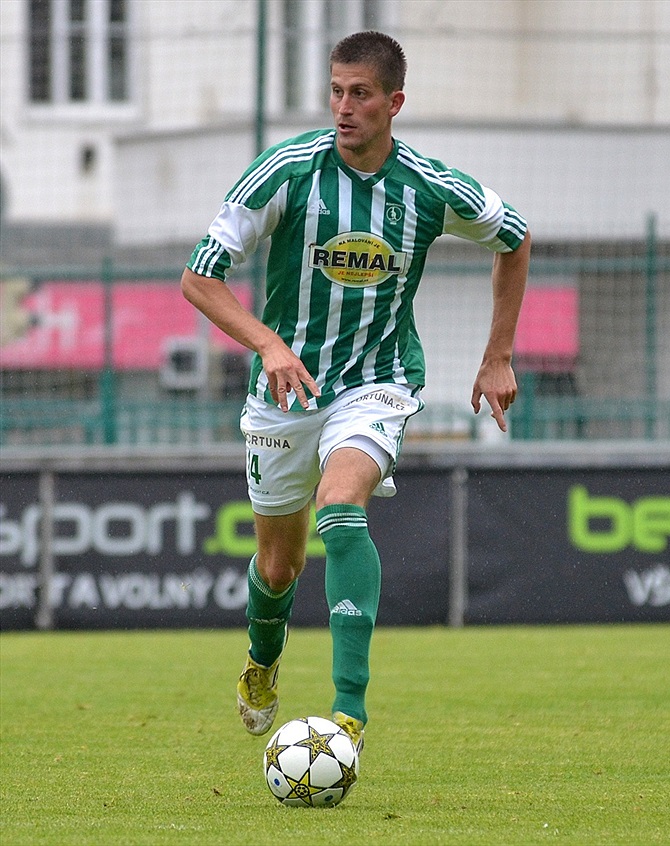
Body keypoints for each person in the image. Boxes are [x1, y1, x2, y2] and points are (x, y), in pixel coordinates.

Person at [181, 30, 531, 755]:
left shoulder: (429, 187)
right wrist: (269, 344)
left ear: (394, 102)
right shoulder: (285, 171)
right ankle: (262, 659)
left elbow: (515, 237)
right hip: (284, 389)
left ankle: (348, 714)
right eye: (336, 91)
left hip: (377, 380)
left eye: (361, 94)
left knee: (340, 508)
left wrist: (498, 354)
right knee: (278, 566)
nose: (344, 107)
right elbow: (198, 276)